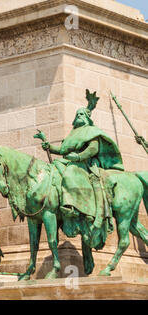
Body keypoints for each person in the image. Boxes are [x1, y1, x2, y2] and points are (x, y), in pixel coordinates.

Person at [40, 89, 123, 232]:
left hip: (85, 163)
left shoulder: (91, 130)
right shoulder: (73, 132)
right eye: (77, 114)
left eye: (81, 114)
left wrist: (78, 157)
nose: (78, 116)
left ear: (86, 117)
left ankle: (73, 207)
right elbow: (63, 150)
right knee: (54, 168)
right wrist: (49, 146)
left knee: (70, 172)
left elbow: (93, 149)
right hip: (70, 161)